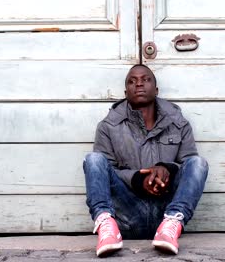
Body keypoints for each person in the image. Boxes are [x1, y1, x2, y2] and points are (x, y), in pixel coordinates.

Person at [83, 64, 209, 257]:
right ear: (126, 92)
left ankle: (172, 224)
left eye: (145, 79)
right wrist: (137, 180)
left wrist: (167, 168)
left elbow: (188, 165)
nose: (139, 84)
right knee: (94, 160)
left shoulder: (178, 123)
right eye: (132, 81)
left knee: (198, 164)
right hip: (127, 214)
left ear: (156, 89)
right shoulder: (108, 126)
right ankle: (106, 226)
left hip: (165, 211)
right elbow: (106, 172)